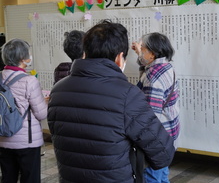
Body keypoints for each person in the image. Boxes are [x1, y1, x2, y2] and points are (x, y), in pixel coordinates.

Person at [48, 20, 175, 183]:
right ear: (119, 57)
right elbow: (163, 152)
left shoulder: (58, 90)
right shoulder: (128, 95)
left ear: (86, 52)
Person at [132, 32, 180, 183]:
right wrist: (140, 53)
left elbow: (150, 116)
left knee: (152, 177)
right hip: (169, 132)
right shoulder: (166, 67)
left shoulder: (153, 77)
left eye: (143, 48)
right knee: (162, 174)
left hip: (157, 139)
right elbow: (145, 67)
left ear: (152, 54)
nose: (141, 52)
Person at [0, 39, 48, 183]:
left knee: (8, 177)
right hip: (27, 141)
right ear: (22, 58)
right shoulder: (29, 81)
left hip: (3, 138)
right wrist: (44, 102)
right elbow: (41, 114)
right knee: (30, 178)